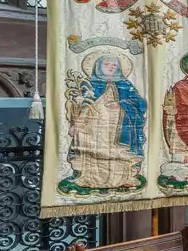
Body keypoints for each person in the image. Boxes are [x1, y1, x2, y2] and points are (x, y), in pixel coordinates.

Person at [61, 51, 148, 194]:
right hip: (94, 128)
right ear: (98, 66)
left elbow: (140, 104)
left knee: (117, 153)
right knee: (96, 153)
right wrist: (77, 122)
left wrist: (121, 105)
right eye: (107, 64)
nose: (111, 67)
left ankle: (122, 179)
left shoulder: (124, 84)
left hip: (119, 126)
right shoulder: (89, 84)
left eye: (114, 65)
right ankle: (91, 179)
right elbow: (82, 106)